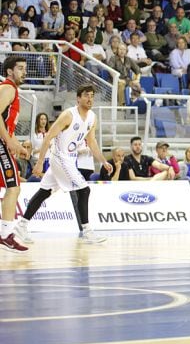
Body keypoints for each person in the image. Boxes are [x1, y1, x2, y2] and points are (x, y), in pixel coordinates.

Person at [19, 85, 113, 244]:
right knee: (84, 190)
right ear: (78, 98)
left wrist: (103, 161)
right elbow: (48, 137)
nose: (90, 99)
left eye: (92, 95)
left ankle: (20, 226)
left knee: (44, 192)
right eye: (86, 95)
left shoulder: (92, 117)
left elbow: (91, 141)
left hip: (70, 158)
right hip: (59, 157)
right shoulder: (68, 115)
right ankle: (87, 231)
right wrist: (40, 162)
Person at [0, 56, 30, 251]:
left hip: (4, 141)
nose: (24, 72)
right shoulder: (8, 88)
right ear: (10, 71)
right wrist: (9, 141)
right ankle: (5, 234)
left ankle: (5, 234)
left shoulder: (12, 90)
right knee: (14, 186)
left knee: (13, 187)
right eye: (20, 68)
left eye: (25, 69)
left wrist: (16, 144)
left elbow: (6, 122)